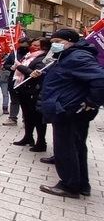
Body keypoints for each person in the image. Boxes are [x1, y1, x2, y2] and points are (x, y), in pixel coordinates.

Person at [39, 29, 104, 198]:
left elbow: (100, 80)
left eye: (57, 40)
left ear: (69, 41)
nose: (54, 44)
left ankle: (69, 185)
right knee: (76, 147)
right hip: (68, 109)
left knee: (66, 148)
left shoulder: (78, 57)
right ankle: (82, 184)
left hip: (69, 110)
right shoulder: (67, 56)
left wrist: (91, 102)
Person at [11, 38, 51, 152]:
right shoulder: (29, 56)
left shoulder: (43, 58)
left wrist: (19, 66)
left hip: (34, 91)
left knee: (37, 118)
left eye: (37, 45)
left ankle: (41, 142)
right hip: (24, 90)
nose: (34, 47)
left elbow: (36, 73)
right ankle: (28, 137)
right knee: (27, 116)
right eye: (33, 44)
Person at [2, 37, 31, 126]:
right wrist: (10, 67)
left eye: (25, 46)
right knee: (14, 100)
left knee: (26, 101)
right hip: (14, 79)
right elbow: (6, 64)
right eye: (21, 45)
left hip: (26, 80)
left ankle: (26, 119)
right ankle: (12, 118)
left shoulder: (31, 54)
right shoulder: (14, 53)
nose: (22, 48)